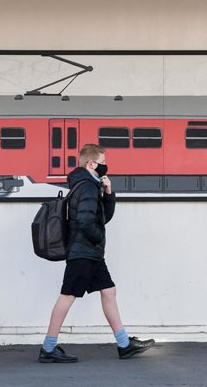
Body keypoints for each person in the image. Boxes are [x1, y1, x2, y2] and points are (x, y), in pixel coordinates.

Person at [39, 144, 155, 363]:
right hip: (84, 251)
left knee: (109, 291)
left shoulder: (91, 186)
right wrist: (96, 239)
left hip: (90, 252)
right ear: (91, 163)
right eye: (102, 162)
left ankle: (124, 345)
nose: (105, 166)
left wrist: (109, 194)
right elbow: (85, 221)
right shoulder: (87, 187)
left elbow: (103, 218)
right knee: (67, 296)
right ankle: (48, 347)